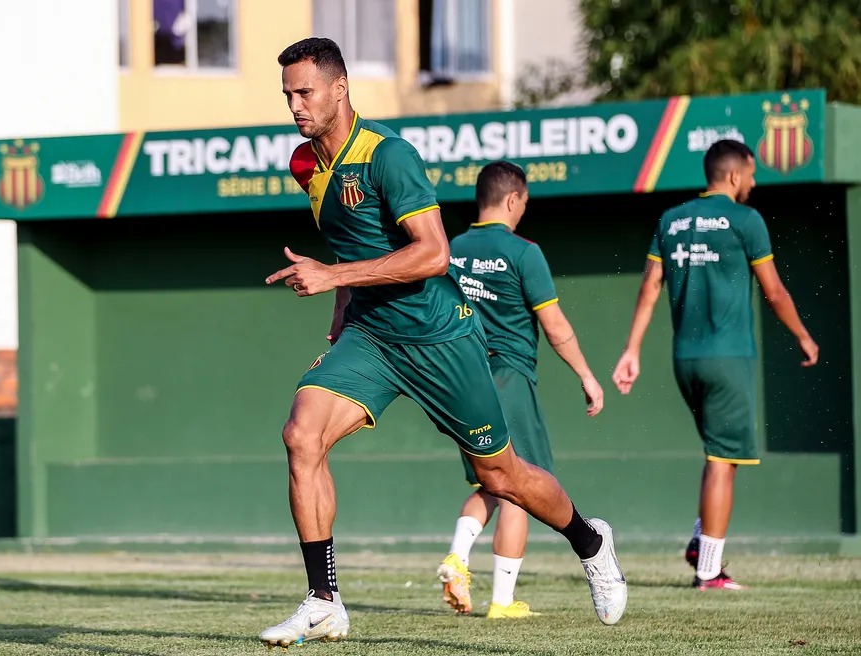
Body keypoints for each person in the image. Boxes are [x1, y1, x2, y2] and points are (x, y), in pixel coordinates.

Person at [260, 37, 626, 647]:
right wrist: (339, 313)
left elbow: (433, 254)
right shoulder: (306, 165)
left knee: (502, 476)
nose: (296, 105)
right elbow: (358, 248)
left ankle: (590, 541)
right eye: (288, 95)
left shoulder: (389, 156)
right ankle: (323, 601)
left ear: (340, 88)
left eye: (306, 91)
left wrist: (332, 276)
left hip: (440, 338)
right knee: (301, 435)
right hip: (372, 336)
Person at [612, 139, 819, 591]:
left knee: (722, 455)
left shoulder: (671, 219)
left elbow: (649, 288)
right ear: (734, 174)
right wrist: (803, 336)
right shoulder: (746, 220)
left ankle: (699, 540)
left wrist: (632, 350)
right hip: (728, 359)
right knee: (724, 459)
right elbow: (775, 291)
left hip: (685, 359)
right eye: (752, 172)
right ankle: (708, 571)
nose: (754, 181)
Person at [437, 161, 606, 619]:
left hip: (462, 382)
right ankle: (503, 602)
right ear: (513, 200)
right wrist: (588, 376)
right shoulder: (523, 251)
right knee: (520, 484)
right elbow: (555, 327)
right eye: (524, 203)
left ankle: (456, 556)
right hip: (509, 378)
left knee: (489, 480)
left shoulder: (448, 249)